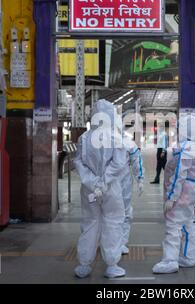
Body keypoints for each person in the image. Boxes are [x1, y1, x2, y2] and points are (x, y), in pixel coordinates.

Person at [73, 99, 128, 279]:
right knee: (112, 222)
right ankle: (112, 265)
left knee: (90, 223)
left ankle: (84, 265)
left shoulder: (84, 138)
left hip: (89, 190)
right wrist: (104, 182)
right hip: (110, 189)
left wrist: (93, 182)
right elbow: (119, 164)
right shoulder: (116, 137)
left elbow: (78, 162)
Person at [152, 114, 195, 274]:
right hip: (190, 189)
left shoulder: (187, 147)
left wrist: (171, 197)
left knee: (173, 224)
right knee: (188, 223)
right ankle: (188, 258)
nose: (177, 129)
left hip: (183, 191)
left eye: (180, 126)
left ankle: (170, 260)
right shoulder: (191, 146)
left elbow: (179, 174)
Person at [119, 134, 145, 255]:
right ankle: (120, 243)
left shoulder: (101, 140)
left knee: (110, 214)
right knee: (124, 213)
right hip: (122, 184)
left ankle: (115, 242)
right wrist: (140, 180)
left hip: (108, 184)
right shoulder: (128, 143)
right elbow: (137, 161)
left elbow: (136, 161)